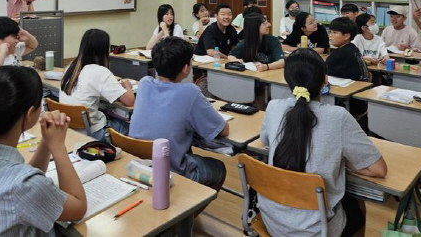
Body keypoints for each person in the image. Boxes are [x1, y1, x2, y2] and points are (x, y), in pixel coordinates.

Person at [258, 49, 387, 237]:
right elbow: (378, 170)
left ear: (287, 80)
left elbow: (265, 140)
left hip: (273, 220)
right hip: (316, 230)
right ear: (325, 80)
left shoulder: (273, 107)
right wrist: (340, 159)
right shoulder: (338, 116)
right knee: (357, 205)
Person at [0, 66, 86, 235]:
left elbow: (28, 178)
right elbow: (78, 208)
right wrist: (58, 147)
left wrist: (47, 141)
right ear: (31, 113)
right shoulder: (23, 185)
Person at [129, 37, 229, 191]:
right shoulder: (190, 92)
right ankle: (188, 212)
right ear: (186, 68)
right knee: (218, 168)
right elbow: (223, 130)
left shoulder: (144, 83)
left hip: (139, 166)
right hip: (169, 172)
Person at [60, 29, 134, 141]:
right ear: (102, 50)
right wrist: (127, 85)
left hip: (70, 130)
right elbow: (130, 101)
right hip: (92, 133)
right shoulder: (99, 72)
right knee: (131, 127)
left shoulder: (71, 67)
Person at [0, 17, 38, 83]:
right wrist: (2, 54)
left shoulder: (13, 51)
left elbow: (33, 46)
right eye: (14, 37)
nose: (17, 41)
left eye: (17, 37)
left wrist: (27, 35)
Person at [325, 17, 368, 82]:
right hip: (359, 84)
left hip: (350, 87)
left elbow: (323, 71)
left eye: (334, 32)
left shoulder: (339, 53)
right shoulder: (352, 47)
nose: (330, 35)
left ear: (346, 36)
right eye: (330, 32)